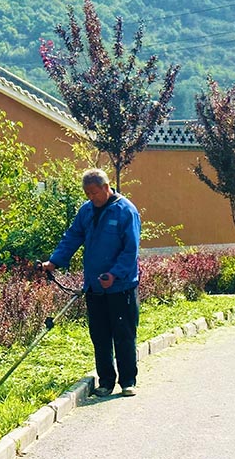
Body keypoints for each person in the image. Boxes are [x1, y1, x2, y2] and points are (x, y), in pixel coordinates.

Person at [42, 168, 141, 397]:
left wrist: (114, 274)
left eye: (95, 193)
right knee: (100, 335)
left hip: (121, 286)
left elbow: (130, 250)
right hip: (94, 286)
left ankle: (128, 381)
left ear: (106, 188)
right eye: (87, 194)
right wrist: (54, 262)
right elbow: (72, 237)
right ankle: (106, 381)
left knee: (123, 334)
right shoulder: (86, 211)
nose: (91, 198)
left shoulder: (126, 211)